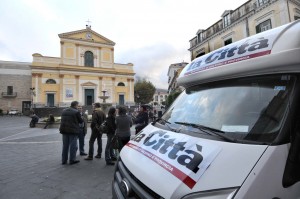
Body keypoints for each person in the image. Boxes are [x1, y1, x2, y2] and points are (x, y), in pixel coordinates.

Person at [59, 101, 83, 165]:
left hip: (64, 130)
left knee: (65, 146)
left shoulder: (64, 111)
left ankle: (64, 160)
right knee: (73, 145)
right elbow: (81, 121)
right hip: (73, 131)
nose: (78, 107)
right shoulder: (76, 112)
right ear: (75, 105)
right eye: (78, 106)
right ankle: (72, 159)